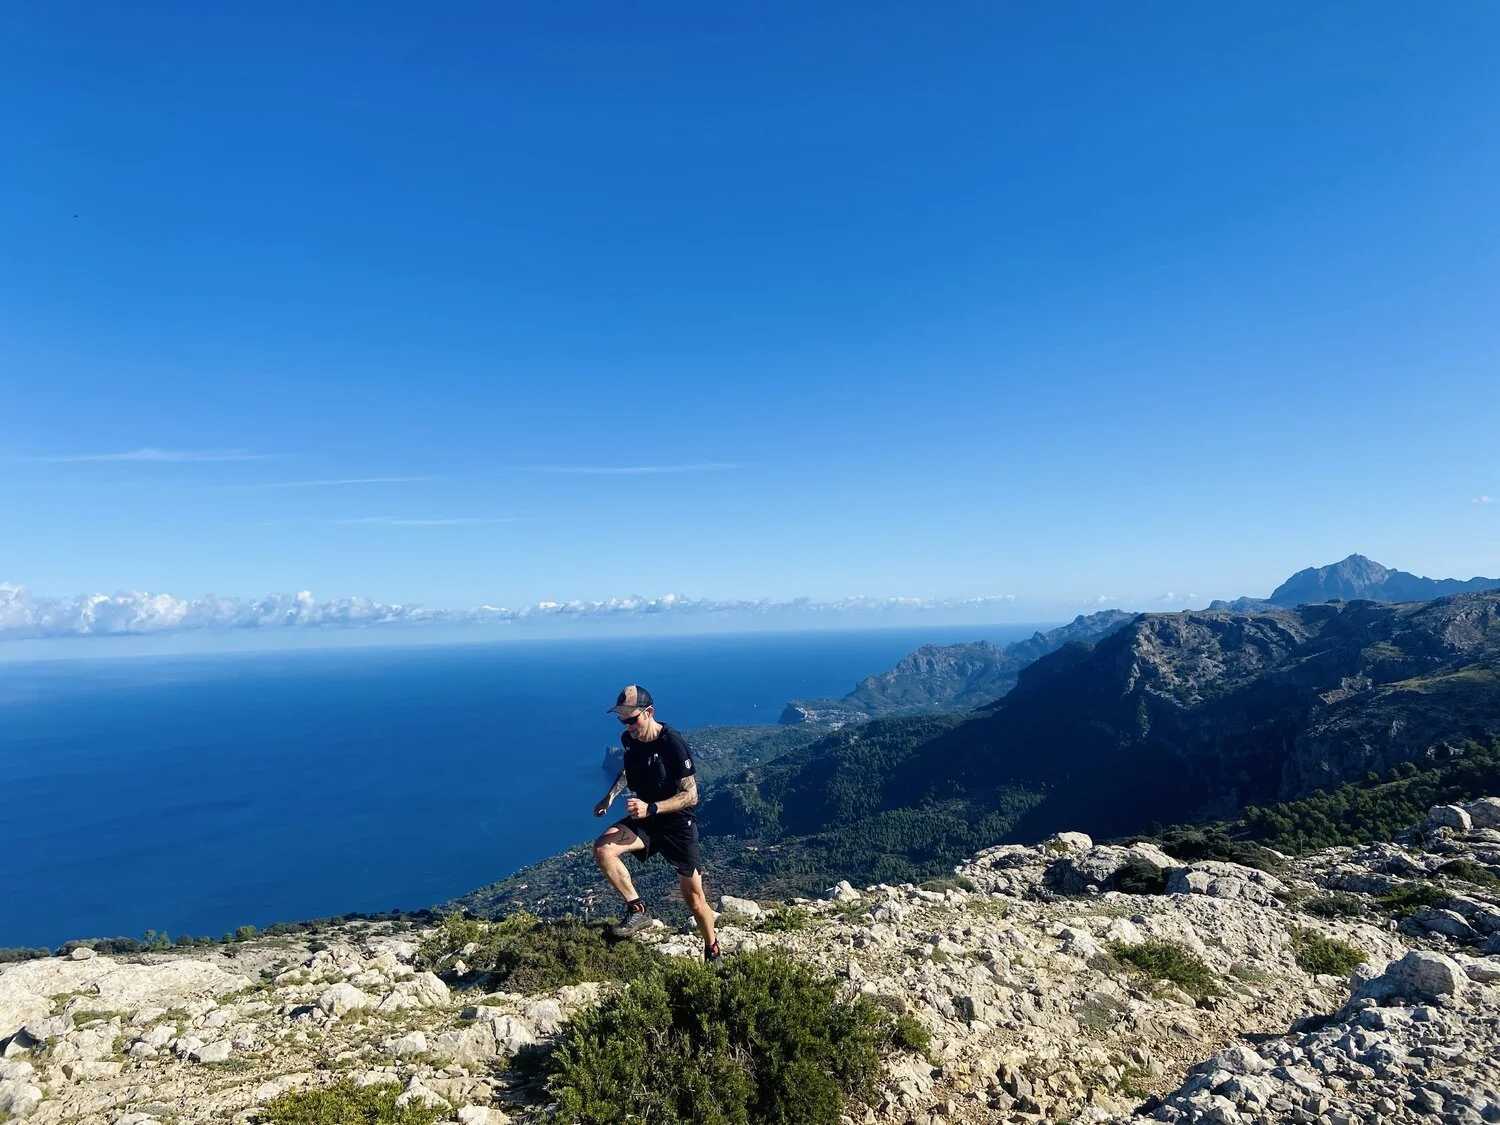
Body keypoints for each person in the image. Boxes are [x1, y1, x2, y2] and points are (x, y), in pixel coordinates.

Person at [592, 684, 720, 962]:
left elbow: (691, 795)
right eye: (622, 719)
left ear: (649, 713)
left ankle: (712, 949)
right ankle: (638, 910)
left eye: (632, 719)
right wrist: (609, 797)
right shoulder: (629, 740)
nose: (627, 725)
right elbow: (628, 769)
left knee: (695, 900)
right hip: (646, 820)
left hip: (676, 824)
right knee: (603, 849)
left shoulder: (672, 743)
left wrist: (652, 807)